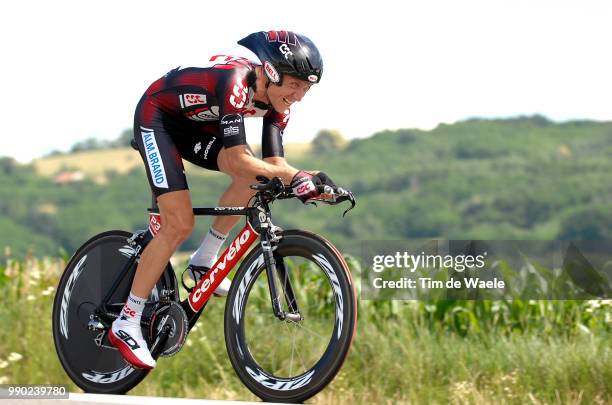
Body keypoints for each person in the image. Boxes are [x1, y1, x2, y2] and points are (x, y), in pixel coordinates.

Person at [108, 30, 338, 369]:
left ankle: (205, 260)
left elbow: (274, 166)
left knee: (260, 177)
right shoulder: (236, 82)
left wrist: (313, 181)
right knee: (178, 224)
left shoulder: (279, 103)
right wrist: (295, 177)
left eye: (306, 88)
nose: (299, 96)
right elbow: (237, 160)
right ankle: (126, 321)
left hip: (196, 127)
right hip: (157, 118)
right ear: (271, 72)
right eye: (295, 85)